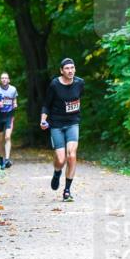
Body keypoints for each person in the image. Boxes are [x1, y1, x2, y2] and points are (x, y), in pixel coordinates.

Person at [40, 58, 84, 202]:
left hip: (73, 123)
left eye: (72, 67)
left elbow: (78, 99)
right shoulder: (54, 84)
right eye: (67, 68)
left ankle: (67, 191)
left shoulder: (80, 83)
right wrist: (43, 119)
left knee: (71, 155)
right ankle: (57, 172)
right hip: (56, 124)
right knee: (61, 159)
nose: (70, 70)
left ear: (75, 69)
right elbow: (46, 104)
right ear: (61, 71)